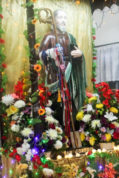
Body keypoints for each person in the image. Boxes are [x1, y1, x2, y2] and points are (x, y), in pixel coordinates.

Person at [39, 9, 87, 138]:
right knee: (57, 106)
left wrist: (80, 55)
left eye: (65, 17)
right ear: (53, 20)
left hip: (70, 78)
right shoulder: (49, 36)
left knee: (71, 106)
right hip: (55, 76)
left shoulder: (70, 37)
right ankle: (57, 139)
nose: (63, 20)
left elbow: (76, 53)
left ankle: (74, 137)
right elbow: (39, 54)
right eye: (60, 17)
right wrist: (50, 53)